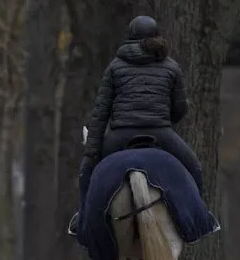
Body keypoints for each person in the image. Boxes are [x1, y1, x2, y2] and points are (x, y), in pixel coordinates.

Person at [78, 15, 203, 207]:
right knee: (194, 167)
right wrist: (163, 119)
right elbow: (180, 109)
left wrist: (91, 152)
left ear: (129, 38)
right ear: (157, 37)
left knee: (86, 171)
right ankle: (201, 216)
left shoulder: (115, 66)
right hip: (160, 133)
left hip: (120, 135)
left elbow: (101, 112)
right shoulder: (171, 66)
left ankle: (83, 218)